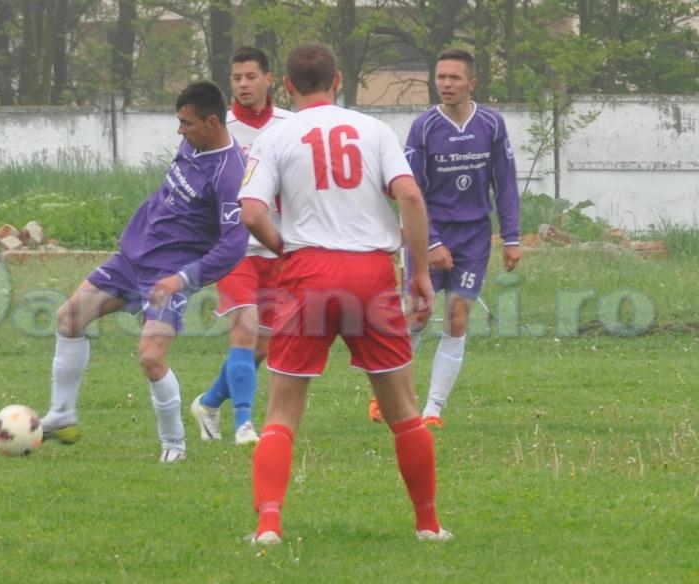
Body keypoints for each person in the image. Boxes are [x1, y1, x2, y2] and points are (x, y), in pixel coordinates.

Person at [239, 42, 452, 545]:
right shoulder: (374, 130)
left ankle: (269, 526)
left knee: (281, 414)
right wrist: (420, 273)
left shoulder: (274, 136)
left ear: (286, 86)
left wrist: (285, 251)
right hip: (371, 273)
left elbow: (251, 212)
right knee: (404, 411)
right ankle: (428, 524)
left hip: (308, 270)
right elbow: (410, 195)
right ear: (338, 81)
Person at [38, 81, 249, 464]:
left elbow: (234, 245)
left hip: (169, 274)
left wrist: (183, 279)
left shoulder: (230, 172)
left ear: (213, 123)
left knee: (151, 358)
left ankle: (175, 445)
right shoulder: (193, 144)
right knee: (69, 318)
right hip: (132, 258)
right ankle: (62, 414)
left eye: (187, 123)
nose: (180, 131)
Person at [368, 48, 522, 427]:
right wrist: (431, 242)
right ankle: (386, 396)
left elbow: (505, 182)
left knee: (457, 318)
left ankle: (433, 410)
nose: (446, 84)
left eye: (454, 78)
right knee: (417, 315)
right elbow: (411, 192)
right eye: (441, 77)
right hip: (428, 234)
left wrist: (512, 237)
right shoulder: (424, 127)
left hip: (474, 237)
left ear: (472, 83)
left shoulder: (492, 124)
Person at [190, 47, 293, 446]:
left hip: (279, 247)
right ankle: (245, 426)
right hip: (233, 248)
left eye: (251, 77)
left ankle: (209, 403)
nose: (244, 85)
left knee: (261, 347)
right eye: (236, 78)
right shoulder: (218, 128)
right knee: (245, 330)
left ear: (269, 79)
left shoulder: (291, 126)